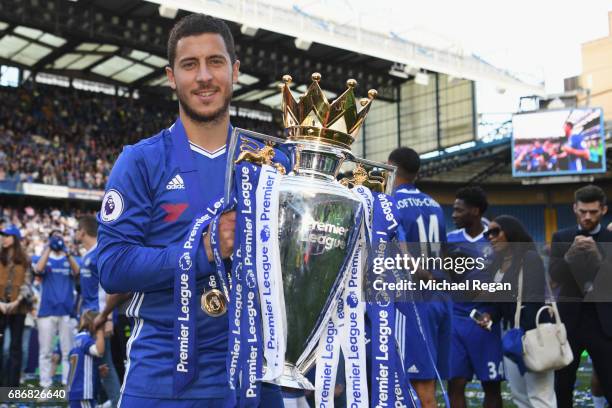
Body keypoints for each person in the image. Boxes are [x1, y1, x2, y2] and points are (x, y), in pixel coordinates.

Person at [97, 14, 285, 407]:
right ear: (171, 77)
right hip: (164, 376)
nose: (203, 76)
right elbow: (112, 267)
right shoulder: (141, 161)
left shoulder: (273, 163)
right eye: (189, 64)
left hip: (255, 377)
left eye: (215, 62)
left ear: (234, 71)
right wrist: (201, 252)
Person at [388, 147, 448, 408]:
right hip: (438, 299)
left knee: (420, 389)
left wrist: (418, 273)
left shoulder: (391, 201)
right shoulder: (435, 205)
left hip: (413, 302)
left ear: (391, 168)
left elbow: (400, 252)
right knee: (430, 384)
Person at [479, 215, 555, 407]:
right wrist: (490, 317)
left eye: (495, 232)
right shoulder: (497, 265)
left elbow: (533, 298)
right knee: (519, 396)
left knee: (540, 396)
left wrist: (522, 337)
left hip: (532, 333)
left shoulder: (529, 258)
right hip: (511, 334)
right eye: (488, 233)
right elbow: (500, 304)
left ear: (511, 233)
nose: (491, 237)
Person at [550, 184, 612, 407]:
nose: (587, 217)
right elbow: (555, 276)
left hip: (604, 324)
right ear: (574, 208)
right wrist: (570, 255)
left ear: (603, 210)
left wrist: (597, 255)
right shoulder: (562, 236)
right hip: (570, 323)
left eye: (593, 212)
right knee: (562, 386)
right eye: (583, 211)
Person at [447, 186, 503, 408]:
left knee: (491, 384)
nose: (453, 215)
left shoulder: (496, 237)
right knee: (456, 383)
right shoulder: (449, 239)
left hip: (485, 321)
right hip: (456, 319)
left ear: (475, 211)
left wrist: (493, 312)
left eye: (459, 210)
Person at [76, 215, 120, 407]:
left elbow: (108, 287)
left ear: (82, 231)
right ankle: (104, 401)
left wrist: (108, 318)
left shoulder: (99, 254)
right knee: (96, 364)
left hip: (100, 319)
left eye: (77, 230)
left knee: (106, 364)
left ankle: (118, 402)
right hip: (89, 318)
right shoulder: (86, 256)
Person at [33, 229, 79, 389]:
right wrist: (48, 248)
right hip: (46, 311)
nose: (57, 239)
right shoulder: (45, 258)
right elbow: (38, 269)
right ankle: (45, 384)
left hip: (67, 311)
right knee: (45, 352)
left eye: (60, 236)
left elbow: (77, 272)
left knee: (68, 351)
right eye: (54, 237)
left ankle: (68, 384)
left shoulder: (70, 257)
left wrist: (67, 252)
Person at [0, 225, 32, 386]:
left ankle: (11, 389)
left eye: (7, 235)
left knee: (15, 348)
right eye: (2, 235)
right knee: (2, 348)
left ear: (15, 238)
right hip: (0, 308)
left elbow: (27, 284)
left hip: (18, 309)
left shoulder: (25, 259)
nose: (3, 238)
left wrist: (16, 301)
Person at [67, 310, 105, 408]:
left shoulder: (77, 339)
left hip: (75, 391)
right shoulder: (85, 339)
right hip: (83, 391)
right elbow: (99, 351)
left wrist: (97, 370)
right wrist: (100, 331)